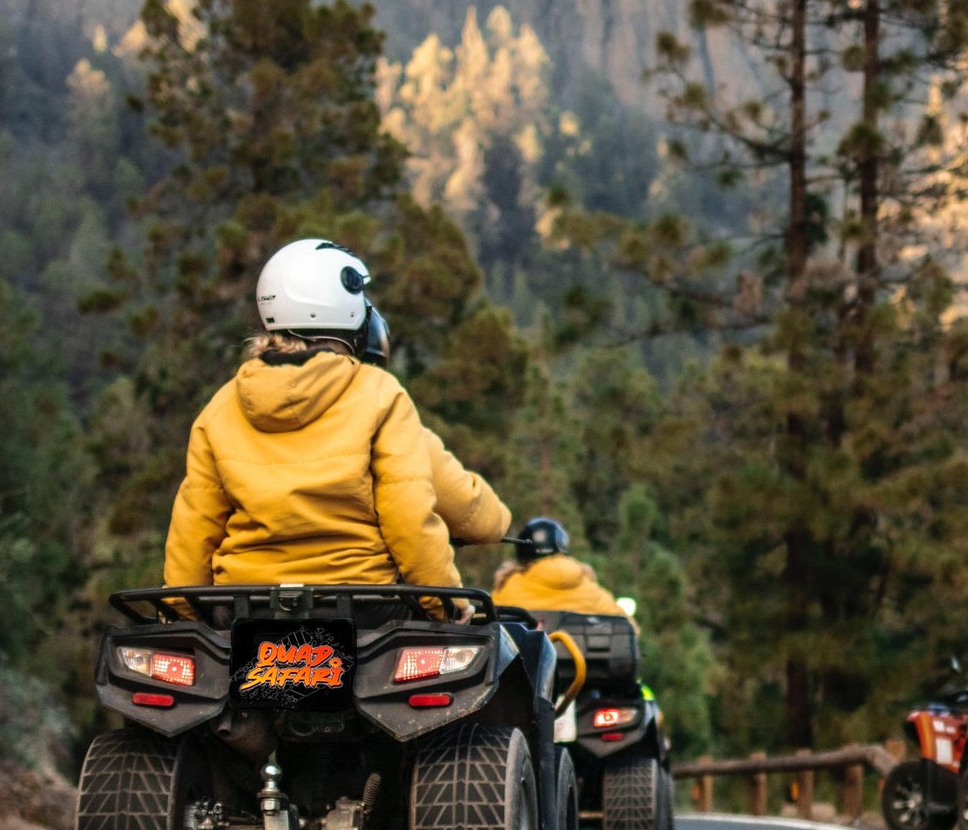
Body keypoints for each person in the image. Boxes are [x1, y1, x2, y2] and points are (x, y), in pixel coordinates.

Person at [162, 238, 510, 616]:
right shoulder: (378, 393)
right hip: (364, 609)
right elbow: (408, 516)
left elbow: (194, 528)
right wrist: (446, 605)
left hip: (245, 610)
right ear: (344, 305)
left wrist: (181, 611)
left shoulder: (221, 407)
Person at [492, 517, 628, 616]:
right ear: (562, 545)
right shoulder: (588, 587)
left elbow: (484, 623)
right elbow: (629, 627)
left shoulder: (509, 587)